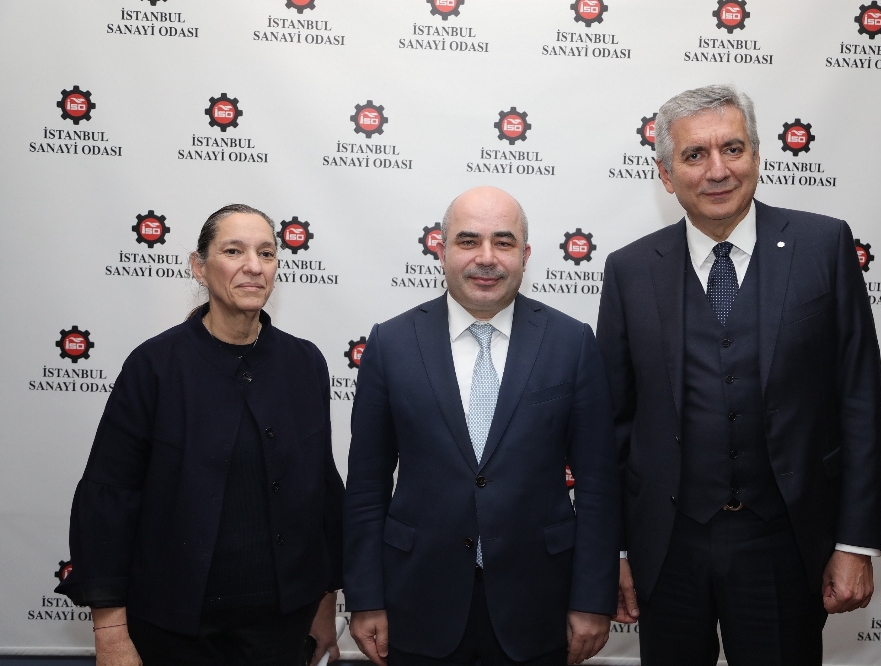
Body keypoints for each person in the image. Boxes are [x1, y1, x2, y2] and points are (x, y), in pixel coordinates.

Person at [596, 85, 881, 664]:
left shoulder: (823, 246)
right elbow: (613, 425)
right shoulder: (629, 270)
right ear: (666, 174)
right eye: (694, 155)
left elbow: (859, 399)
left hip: (785, 543)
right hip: (667, 547)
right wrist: (617, 550)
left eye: (732, 148)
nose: (717, 170)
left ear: (756, 155)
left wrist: (856, 541)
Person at [56, 204, 344, 666]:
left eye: (266, 253)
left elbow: (320, 489)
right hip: (174, 629)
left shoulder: (304, 363)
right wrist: (110, 632)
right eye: (233, 251)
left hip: (282, 627)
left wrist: (325, 602)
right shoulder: (154, 366)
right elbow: (109, 497)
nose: (254, 266)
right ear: (199, 266)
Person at [343, 186, 620, 666]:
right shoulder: (390, 344)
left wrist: (593, 599)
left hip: (539, 603)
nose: (486, 258)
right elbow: (367, 485)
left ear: (525, 255)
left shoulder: (571, 343)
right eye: (468, 241)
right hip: (417, 601)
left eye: (504, 242)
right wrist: (365, 597)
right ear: (441, 250)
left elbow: (598, 484)